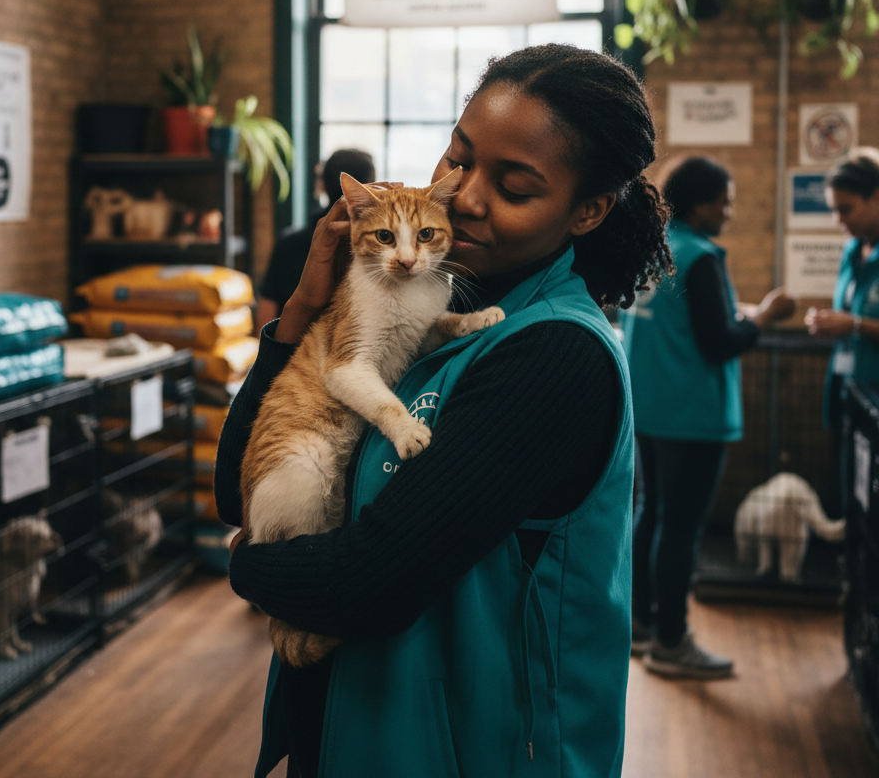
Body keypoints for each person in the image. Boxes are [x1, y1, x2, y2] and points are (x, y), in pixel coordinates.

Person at [215, 44, 673, 778]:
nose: (464, 196)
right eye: (458, 157)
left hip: (471, 751)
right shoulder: (428, 298)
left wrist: (246, 566)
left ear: (585, 210)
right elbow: (235, 486)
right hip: (358, 735)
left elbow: (365, 583)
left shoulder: (554, 356)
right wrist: (307, 307)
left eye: (514, 186)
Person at [621, 156, 795, 680]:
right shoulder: (701, 257)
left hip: (649, 410)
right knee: (681, 530)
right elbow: (720, 341)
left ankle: (641, 626)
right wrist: (764, 315)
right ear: (701, 204)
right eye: (726, 201)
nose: (730, 211)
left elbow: (684, 319)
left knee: (651, 515)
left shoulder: (652, 248)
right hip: (691, 416)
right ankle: (672, 642)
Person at [805, 149, 879, 494]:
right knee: (851, 492)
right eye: (834, 210)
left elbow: (856, 320)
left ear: (876, 196)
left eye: (845, 209)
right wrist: (827, 322)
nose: (839, 221)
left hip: (875, 395)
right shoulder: (852, 252)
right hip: (847, 388)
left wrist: (853, 325)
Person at [255, 149, 375, 331]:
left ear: (323, 185)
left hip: (287, 348)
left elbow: (265, 314)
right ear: (371, 188)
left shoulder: (288, 244)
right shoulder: (375, 249)